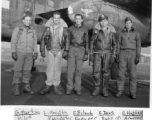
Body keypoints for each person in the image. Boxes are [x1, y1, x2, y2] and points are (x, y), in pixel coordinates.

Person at [39, 12, 69, 95]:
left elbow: (67, 39)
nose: (56, 20)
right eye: (55, 18)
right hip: (50, 51)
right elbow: (43, 39)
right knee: (49, 69)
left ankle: (56, 85)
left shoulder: (64, 28)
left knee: (57, 69)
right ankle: (48, 84)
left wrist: (66, 50)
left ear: (60, 19)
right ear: (52, 18)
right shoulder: (48, 28)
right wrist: (42, 51)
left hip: (59, 51)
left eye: (58, 18)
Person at [11, 12, 38, 96]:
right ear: (23, 21)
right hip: (20, 53)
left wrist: (36, 52)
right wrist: (13, 52)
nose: (29, 22)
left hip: (29, 54)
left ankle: (26, 87)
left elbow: (35, 42)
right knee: (18, 70)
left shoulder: (32, 30)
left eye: (30, 20)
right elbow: (13, 41)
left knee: (27, 71)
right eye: (27, 20)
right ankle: (16, 86)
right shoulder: (17, 29)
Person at [90, 14, 117, 97]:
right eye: (101, 21)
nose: (103, 22)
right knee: (95, 72)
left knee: (106, 72)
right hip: (97, 53)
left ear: (107, 22)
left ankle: (105, 90)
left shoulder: (111, 33)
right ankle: (97, 88)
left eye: (105, 21)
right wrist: (91, 53)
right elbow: (92, 42)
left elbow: (115, 45)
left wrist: (113, 55)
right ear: (99, 22)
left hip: (107, 54)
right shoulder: (96, 32)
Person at [116, 17, 141, 99]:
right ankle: (120, 90)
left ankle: (132, 92)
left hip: (132, 53)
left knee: (133, 75)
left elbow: (138, 45)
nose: (128, 24)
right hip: (122, 53)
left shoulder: (136, 33)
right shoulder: (121, 33)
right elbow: (118, 45)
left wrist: (138, 56)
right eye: (126, 23)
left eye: (129, 23)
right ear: (125, 24)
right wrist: (117, 55)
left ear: (131, 23)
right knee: (120, 74)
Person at [66, 14, 89, 95]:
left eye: (79, 19)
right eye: (76, 19)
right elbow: (67, 40)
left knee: (78, 70)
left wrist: (86, 53)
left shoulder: (85, 29)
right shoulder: (70, 28)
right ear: (74, 20)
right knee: (70, 70)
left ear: (82, 20)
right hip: (72, 48)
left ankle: (77, 88)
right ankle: (69, 87)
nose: (78, 20)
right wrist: (66, 50)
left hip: (81, 49)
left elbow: (87, 42)